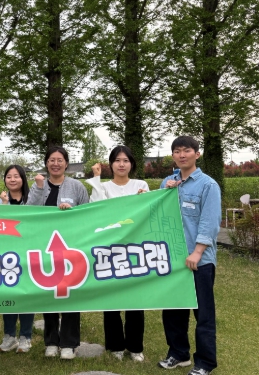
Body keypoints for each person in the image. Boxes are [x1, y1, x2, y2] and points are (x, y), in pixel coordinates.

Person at [157, 136, 220, 375]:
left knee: (203, 314)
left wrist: (197, 252)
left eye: (186, 150)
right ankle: (178, 353)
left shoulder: (208, 185)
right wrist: (160, 192)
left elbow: (210, 222)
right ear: (173, 155)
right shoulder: (168, 183)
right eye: (177, 151)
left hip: (199, 261)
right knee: (173, 310)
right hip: (172, 259)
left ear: (197, 154)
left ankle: (205, 363)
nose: (182, 155)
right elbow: (157, 213)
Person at [85, 146, 149, 362]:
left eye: (126, 160)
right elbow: (96, 210)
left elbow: (146, 212)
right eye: (117, 160)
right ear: (111, 164)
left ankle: (135, 347)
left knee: (135, 299)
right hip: (109, 249)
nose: (122, 164)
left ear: (132, 164)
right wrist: (96, 178)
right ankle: (115, 346)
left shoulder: (141, 186)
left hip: (134, 249)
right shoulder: (103, 187)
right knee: (111, 299)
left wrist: (143, 200)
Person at [27, 146, 89, 360]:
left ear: (66, 163)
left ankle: (69, 343)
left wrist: (72, 212)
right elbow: (29, 212)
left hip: (71, 247)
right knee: (49, 292)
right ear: (46, 163)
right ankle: (51, 341)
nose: (55, 164)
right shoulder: (38, 185)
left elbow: (88, 214)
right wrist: (38, 188)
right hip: (45, 247)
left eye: (59, 160)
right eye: (51, 160)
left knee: (70, 293)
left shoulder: (76, 186)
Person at [0, 165, 34, 354]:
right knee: (8, 294)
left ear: (23, 179)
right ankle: (9, 335)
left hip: (28, 254)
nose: (12, 179)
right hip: (6, 255)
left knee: (27, 294)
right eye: (8, 176)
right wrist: (4, 204)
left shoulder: (32, 200)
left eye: (16, 176)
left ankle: (26, 336)